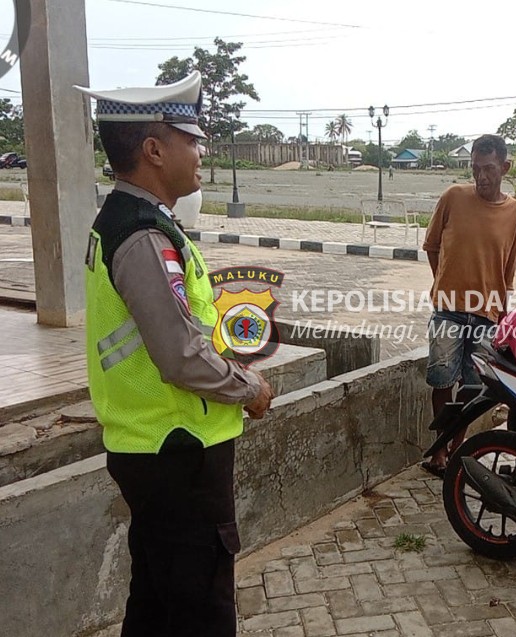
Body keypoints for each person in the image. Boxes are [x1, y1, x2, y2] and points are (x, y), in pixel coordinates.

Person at [77, 71, 274, 637]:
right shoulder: (141, 233)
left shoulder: (133, 220)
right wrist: (249, 388)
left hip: (154, 446)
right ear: (154, 150)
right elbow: (181, 355)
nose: (201, 149)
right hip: (177, 448)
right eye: (190, 138)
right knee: (199, 608)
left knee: (158, 602)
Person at [421, 134, 516, 476]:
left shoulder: (515, 212)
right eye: (476, 169)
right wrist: (443, 285)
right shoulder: (453, 197)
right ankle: (438, 450)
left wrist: (504, 310)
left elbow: (508, 267)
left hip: (488, 312)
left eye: (489, 169)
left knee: (472, 385)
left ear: (505, 168)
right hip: (448, 309)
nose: (481, 177)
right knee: (441, 379)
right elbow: (432, 245)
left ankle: (455, 448)